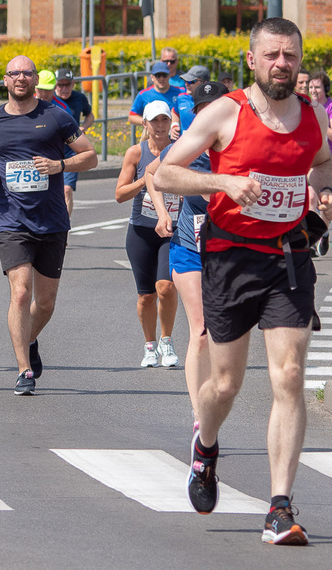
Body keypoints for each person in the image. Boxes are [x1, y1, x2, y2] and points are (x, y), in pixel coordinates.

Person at [155, 18, 332, 545]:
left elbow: (324, 165)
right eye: (273, 55)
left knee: (289, 375)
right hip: (229, 259)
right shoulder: (225, 112)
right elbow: (165, 173)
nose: (283, 63)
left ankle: (279, 506)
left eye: (291, 55)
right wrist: (223, 181)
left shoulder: (310, 119)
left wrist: (325, 196)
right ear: (253, 60)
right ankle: (206, 446)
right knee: (225, 384)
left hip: (288, 259)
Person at [0, 55, 97, 396]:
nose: (21, 78)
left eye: (27, 73)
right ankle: (23, 370)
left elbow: (90, 156)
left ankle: (29, 338)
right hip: (13, 221)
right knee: (20, 292)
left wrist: (59, 164)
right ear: (5, 79)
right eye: (14, 73)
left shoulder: (56, 116)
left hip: (52, 221)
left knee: (45, 303)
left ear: (34, 80)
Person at [145, 81, 229, 426]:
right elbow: (153, 174)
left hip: (227, 252)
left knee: (224, 333)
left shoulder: (240, 148)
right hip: (188, 248)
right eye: (202, 107)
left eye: (215, 105)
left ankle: (212, 396)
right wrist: (163, 213)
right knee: (202, 329)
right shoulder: (189, 146)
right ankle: (199, 412)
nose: (208, 112)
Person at [115, 100, 180, 368]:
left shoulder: (181, 150)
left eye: (165, 120)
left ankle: (167, 340)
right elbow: (119, 194)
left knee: (165, 287)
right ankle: (150, 345)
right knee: (146, 295)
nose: (160, 125)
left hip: (173, 229)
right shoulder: (136, 153)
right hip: (141, 230)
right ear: (145, 123)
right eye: (155, 121)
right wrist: (147, 178)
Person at [308, 70, 332, 257]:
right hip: (310, 158)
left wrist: (321, 121)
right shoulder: (306, 106)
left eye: (317, 87)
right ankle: (312, 239)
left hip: (328, 159)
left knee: (324, 199)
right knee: (310, 197)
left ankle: (324, 231)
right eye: (311, 86)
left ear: (325, 88)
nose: (313, 90)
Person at [55, 68, 95, 218]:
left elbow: (90, 115)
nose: (64, 88)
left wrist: (84, 127)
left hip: (72, 150)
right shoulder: (50, 100)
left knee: (66, 189)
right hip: (53, 150)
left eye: (67, 84)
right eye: (60, 85)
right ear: (55, 85)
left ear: (73, 84)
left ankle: (64, 227)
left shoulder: (79, 99)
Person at [129, 61, 182, 127]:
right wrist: (150, 122)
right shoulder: (143, 94)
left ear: (169, 76)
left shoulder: (181, 92)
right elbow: (132, 117)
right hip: (154, 135)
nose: (161, 78)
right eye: (158, 75)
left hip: (177, 134)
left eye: (164, 75)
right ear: (152, 77)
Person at [170, 65, 210, 140]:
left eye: (191, 81)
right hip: (184, 146)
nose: (187, 84)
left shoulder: (213, 102)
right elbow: (174, 112)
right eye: (185, 81)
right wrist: (174, 125)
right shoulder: (181, 98)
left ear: (204, 83)